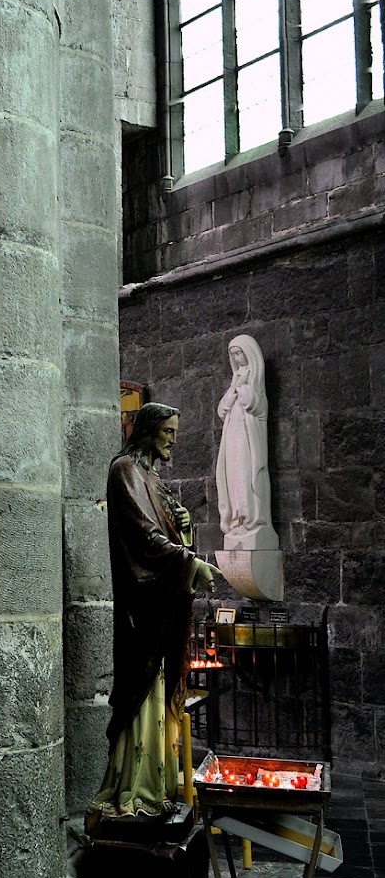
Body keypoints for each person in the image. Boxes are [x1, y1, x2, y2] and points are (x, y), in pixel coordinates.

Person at [90, 403, 215, 822]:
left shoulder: (153, 478)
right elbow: (143, 538)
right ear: (148, 430)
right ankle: (133, 788)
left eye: (175, 432)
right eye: (168, 431)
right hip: (140, 612)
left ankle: (154, 787)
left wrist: (184, 529)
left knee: (158, 702)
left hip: (160, 610)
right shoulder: (124, 470)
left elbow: (165, 535)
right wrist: (190, 562)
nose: (173, 440)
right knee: (141, 700)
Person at [216, 333, 277, 551]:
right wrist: (233, 392)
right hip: (232, 435)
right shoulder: (237, 376)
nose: (237, 359)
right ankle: (236, 520)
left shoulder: (254, 376)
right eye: (233, 355)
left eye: (239, 353)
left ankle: (250, 517)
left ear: (249, 354)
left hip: (246, 437)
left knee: (245, 474)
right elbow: (222, 409)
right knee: (232, 477)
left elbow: (257, 405)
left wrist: (242, 389)